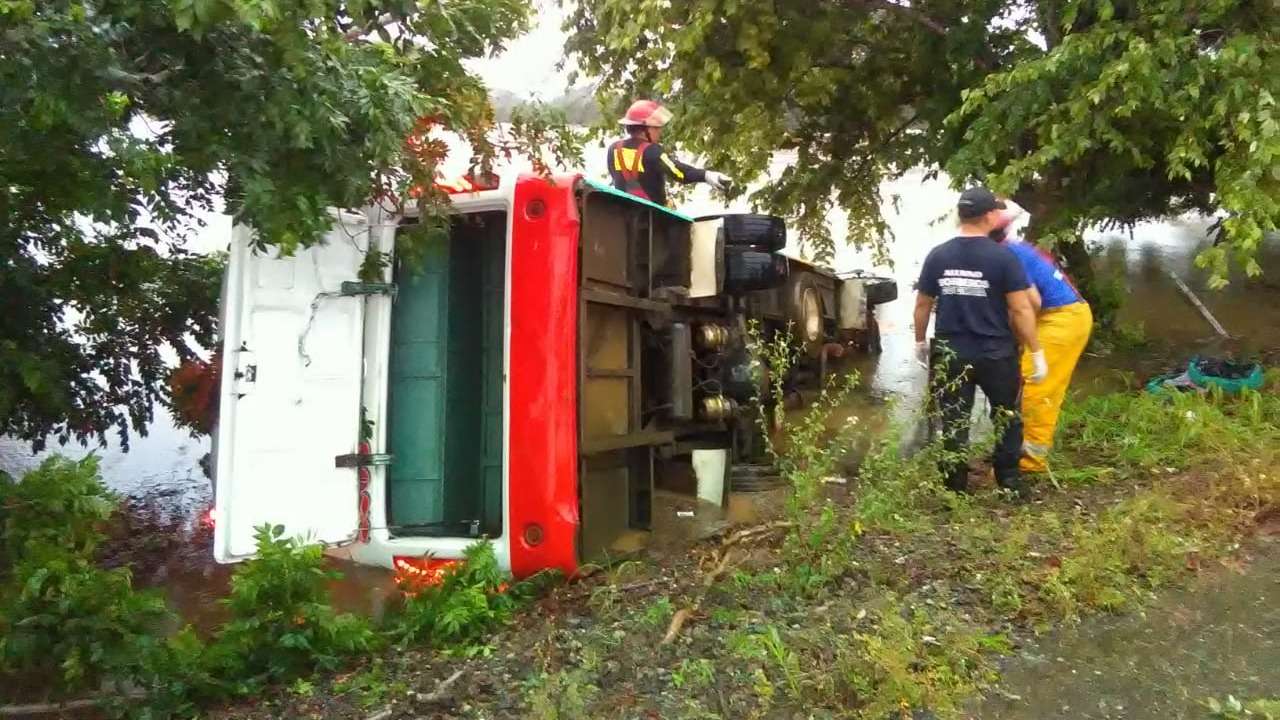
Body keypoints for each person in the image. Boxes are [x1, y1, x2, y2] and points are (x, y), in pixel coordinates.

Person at [913, 187, 1047, 496]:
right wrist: (1036, 352)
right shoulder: (1003, 257)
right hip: (995, 353)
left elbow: (922, 306)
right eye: (996, 212)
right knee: (1006, 416)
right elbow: (1021, 307)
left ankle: (953, 488)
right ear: (988, 216)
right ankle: (1009, 483)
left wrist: (920, 342)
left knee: (954, 418)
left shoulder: (938, 254)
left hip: (950, 352)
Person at [989, 211, 1094, 473]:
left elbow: (1030, 302)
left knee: (1037, 388)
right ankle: (1018, 448)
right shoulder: (1010, 249)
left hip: (1062, 319)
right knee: (1029, 383)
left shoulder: (1007, 256)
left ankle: (1031, 461)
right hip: (1058, 316)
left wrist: (1022, 339)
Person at [607, 100, 733, 207]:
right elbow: (680, 173)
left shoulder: (614, 149)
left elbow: (618, 178)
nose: (660, 131)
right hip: (652, 217)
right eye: (657, 127)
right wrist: (707, 175)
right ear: (646, 129)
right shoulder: (652, 151)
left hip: (622, 213)